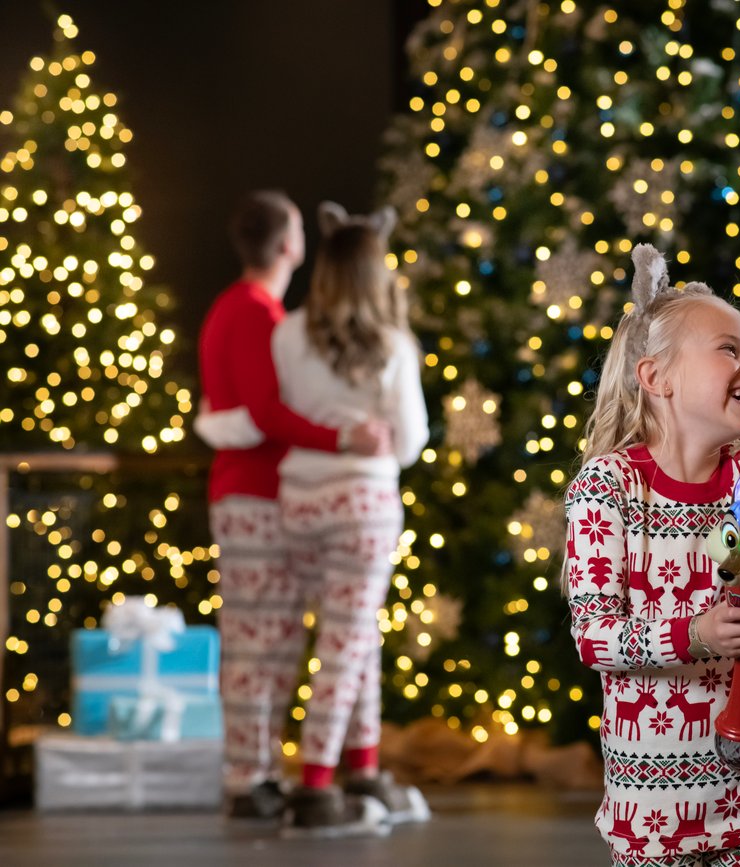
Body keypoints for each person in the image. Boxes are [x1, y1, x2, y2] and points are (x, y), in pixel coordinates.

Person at [565, 244, 740, 866]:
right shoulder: (609, 486)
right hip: (650, 811)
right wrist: (697, 634)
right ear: (657, 378)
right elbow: (595, 638)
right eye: (730, 349)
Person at [198, 201, 430, 837]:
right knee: (284, 644)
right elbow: (268, 415)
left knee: (339, 641)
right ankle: (292, 783)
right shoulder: (257, 316)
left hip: (290, 501)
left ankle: (354, 768)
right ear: (286, 245)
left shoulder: (279, 325)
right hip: (268, 500)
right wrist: (348, 440)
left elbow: (249, 408)